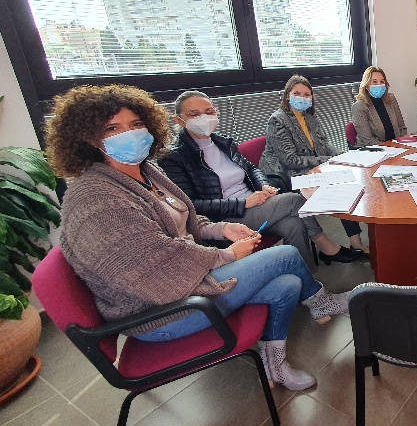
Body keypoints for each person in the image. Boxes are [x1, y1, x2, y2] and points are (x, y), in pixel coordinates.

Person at [47, 84, 351, 391]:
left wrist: (221, 229)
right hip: (160, 312)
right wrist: (227, 255)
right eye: (113, 128)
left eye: (136, 124)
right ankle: (322, 302)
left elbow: (187, 218)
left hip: (190, 280)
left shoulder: (145, 172)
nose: (129, 134)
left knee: (288, 283)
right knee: (284, 255)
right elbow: (152, 267)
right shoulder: (95, 199)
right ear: (87, 138)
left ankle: (275, 365)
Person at [159, 90, 364, 271]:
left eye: (209, 111)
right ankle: (328, 248)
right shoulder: (174, 157)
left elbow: (251, 168)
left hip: (256, 204)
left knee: (294, 224)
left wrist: (263, 184)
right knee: (294, 200)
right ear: (179, 120)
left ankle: (307, 282)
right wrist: (244, 203)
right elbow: (190, 205)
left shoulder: (222, 142)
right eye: (194, 114)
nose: (204, 118)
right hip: (227, 218)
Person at [259, 75, 367, 262]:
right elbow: (289, 160)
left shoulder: (309, 116)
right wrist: (326, 160)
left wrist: (344, 155)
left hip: (310, 168)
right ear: (287, 96)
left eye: (307, 94)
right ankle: (327, 247)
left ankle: (355, 242)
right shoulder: (278, 120)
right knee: (328, 190)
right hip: (284, 175)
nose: (302, 98)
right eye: (297, 93)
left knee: (348, 184)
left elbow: (324, 144)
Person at [351, 66, 408, 146]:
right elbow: (367, 141)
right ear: (366, 85)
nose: (379, 85)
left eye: (382, 82)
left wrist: (402, 144)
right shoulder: (359, 106)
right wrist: (392, 147)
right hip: (373, 151)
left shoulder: (391, 99)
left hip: (396, 148)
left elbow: (402, 128)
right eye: (374, 82)